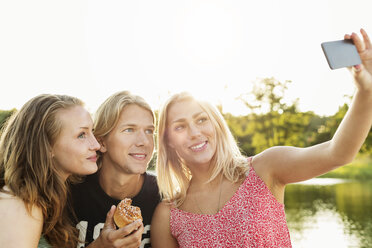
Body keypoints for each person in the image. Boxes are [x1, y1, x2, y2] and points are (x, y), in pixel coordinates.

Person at [151, 29, 372, 248]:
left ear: (216, 125)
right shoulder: (168, 215)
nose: (194, 132)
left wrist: (366, 91)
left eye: (201, 120)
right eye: (180, 126)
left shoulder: (264, 169)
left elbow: (338, 153)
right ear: (168, 141)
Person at [0, 94, 100, 248]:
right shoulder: (21, 205)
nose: (96, 145)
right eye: (82, 135)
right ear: (47, 146)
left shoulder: (46, 196)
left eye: (92, 131)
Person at [71, 91, 160, 248]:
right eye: (129, 130)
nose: (144, 142)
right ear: (101, 142)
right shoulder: (67, 194)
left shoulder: (164, 198)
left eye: (149, 131)